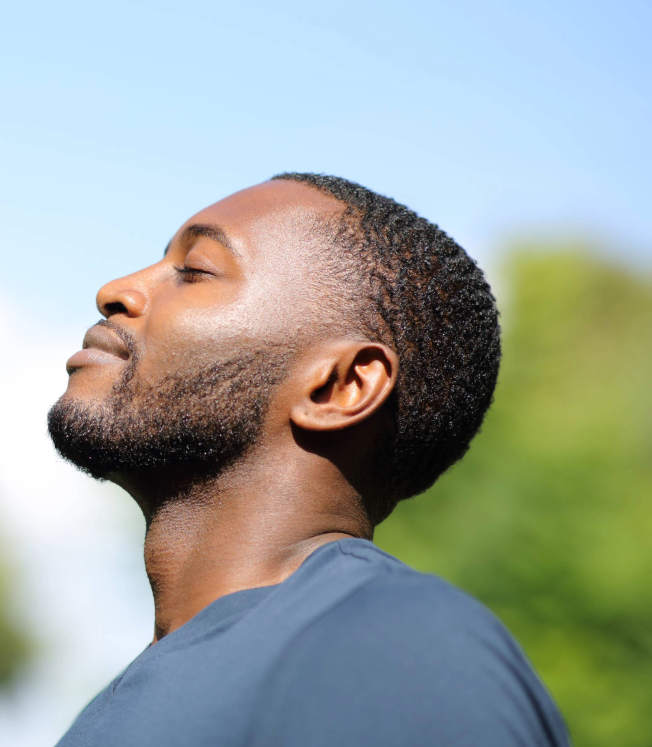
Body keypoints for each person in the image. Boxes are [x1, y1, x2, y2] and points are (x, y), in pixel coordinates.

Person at [47, 174, 569, 746]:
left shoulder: (400, 650)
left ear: (339, 387)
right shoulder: (111, 710)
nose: (115, 290)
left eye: (195, 270)